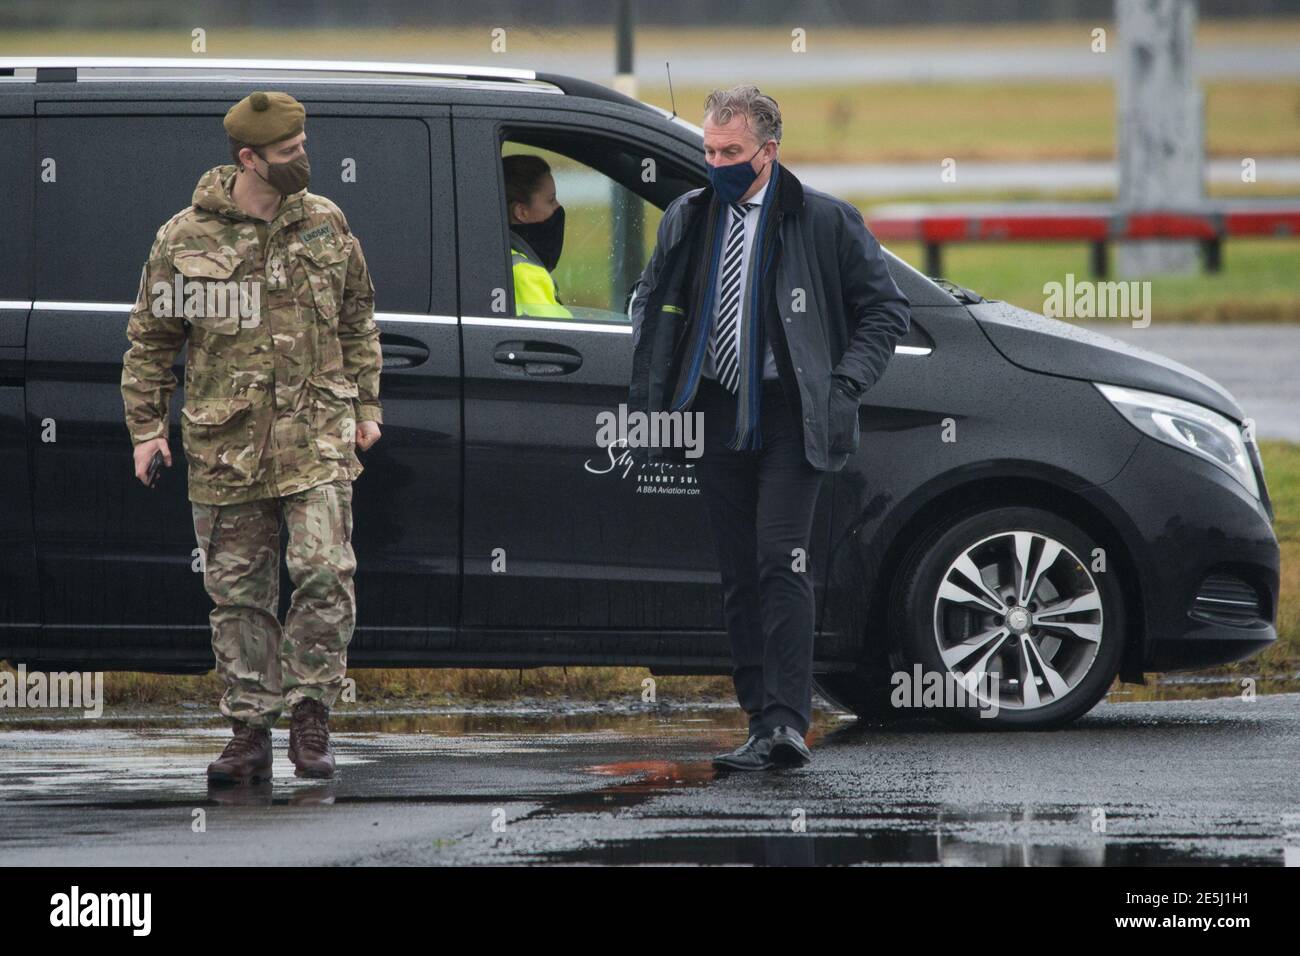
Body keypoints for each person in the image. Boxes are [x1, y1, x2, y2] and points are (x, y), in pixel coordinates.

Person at [629, 85, 911, 771]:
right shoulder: (690, 216)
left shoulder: (821, 220)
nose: (716, 162)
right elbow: (654, 294)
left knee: (781, 562)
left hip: (791, 415)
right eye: (709, 150)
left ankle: (787, 723)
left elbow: (886, 310)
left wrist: (840, 384)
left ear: (768, 152)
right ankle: (760, 718)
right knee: (737, 574)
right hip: (716, 409)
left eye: (731, 152)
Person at [120, 90, 383, 784]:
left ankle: (311, 716)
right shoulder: (185, 237)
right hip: (226, 445)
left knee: (327, 572)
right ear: (249, 159)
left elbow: (358, 318)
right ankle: (249, 729)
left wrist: (366, 405)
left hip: (318, 437)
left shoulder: (326, 222)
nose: (303, 160)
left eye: (303, 147)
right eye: (289, 153)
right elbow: (151, 340)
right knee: (238, 595)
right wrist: (147, 429)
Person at [503, 153, 572, 318]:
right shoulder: (524, 273)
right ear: (521, 212)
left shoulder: (502, 257)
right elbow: (563, 337)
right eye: (551, 200)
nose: (559, 207)